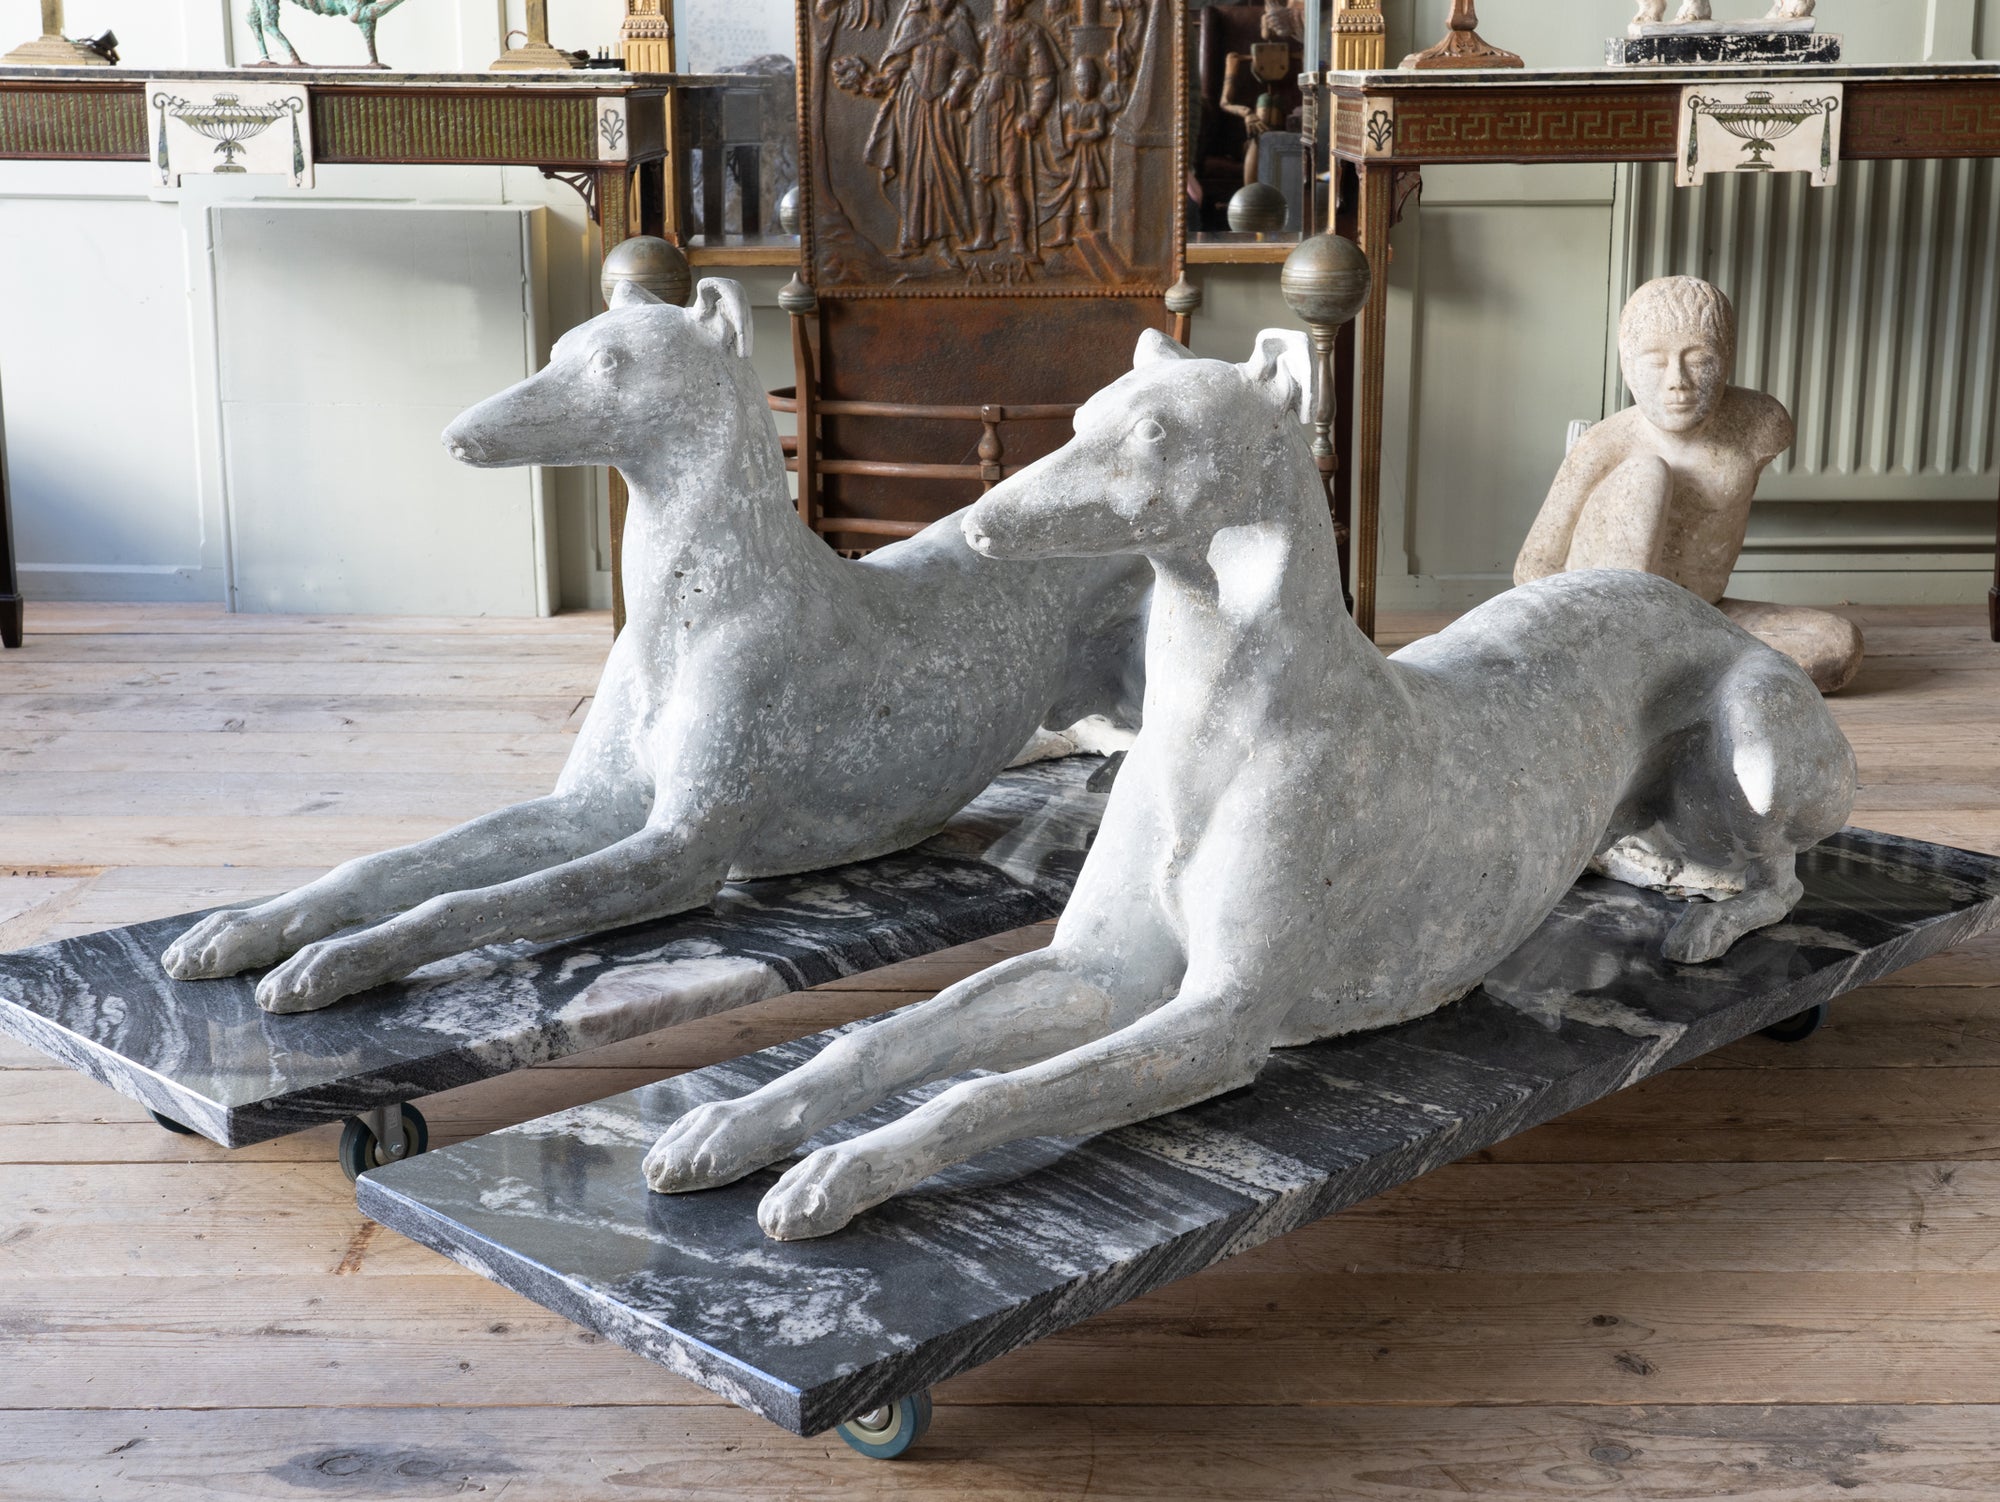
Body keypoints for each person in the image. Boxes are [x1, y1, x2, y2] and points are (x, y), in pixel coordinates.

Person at [1515, 276, 1864, 693]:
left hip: (1696, 611)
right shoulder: (1605, 445)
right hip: (1604, 619)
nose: (1677, 380)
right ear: (1627, 365)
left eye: (1699, 359)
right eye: (1655, 362)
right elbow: (1532, 566)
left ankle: (1668, 662)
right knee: (1646, 475)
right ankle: (1621, 657)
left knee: (1836, 645)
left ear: (1727, 357)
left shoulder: (1761, 423)